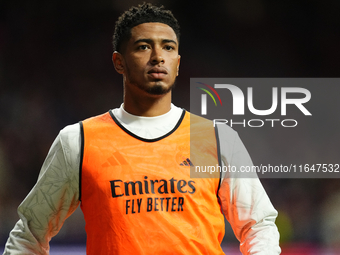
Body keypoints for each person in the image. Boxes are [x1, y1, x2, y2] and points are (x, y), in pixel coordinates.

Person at [3, 3, 281, 255]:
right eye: (143, 46)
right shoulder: (78, 141)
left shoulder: (217, 138)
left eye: (168, 47)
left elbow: (259, 225)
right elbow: (28, 236)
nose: (158, 56)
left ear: (178, 63)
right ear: (118, 62)